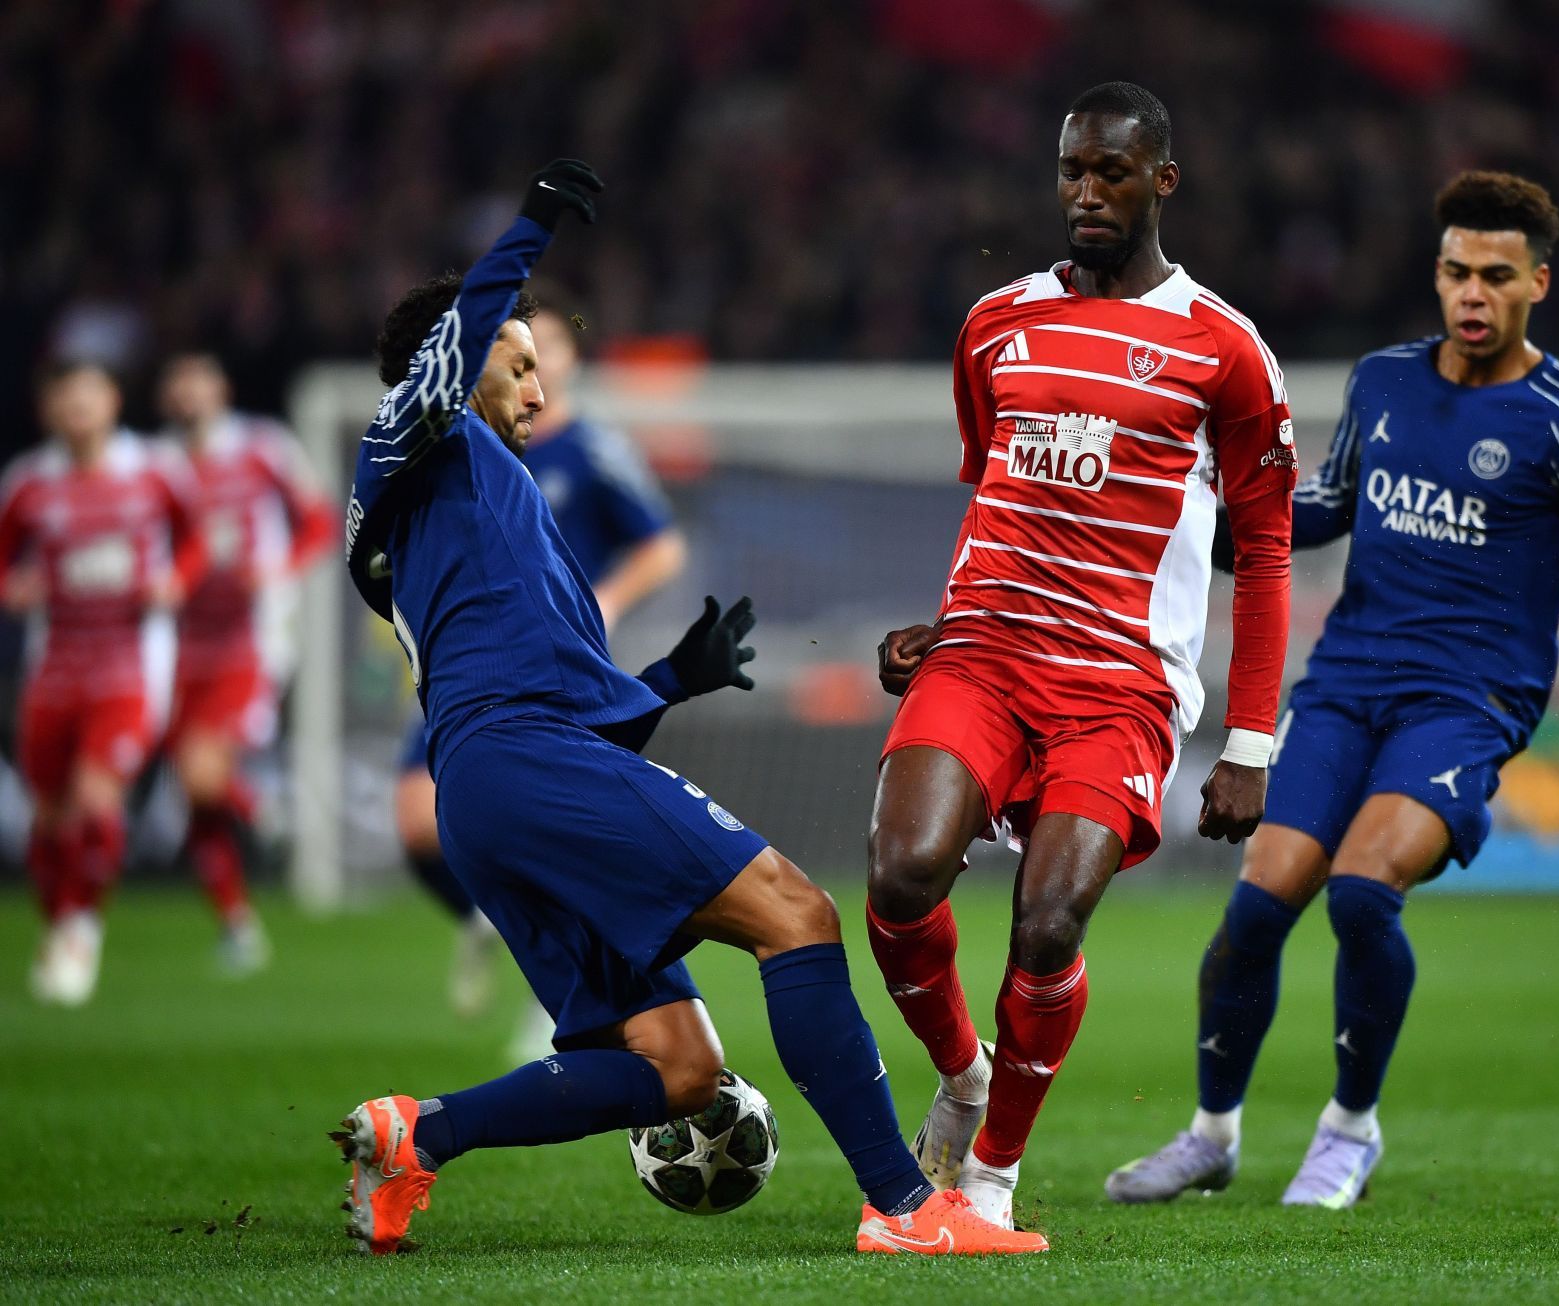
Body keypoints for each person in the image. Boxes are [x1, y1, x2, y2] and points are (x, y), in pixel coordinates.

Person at [333, 159, 1043, 1257]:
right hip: (519, 763)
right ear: (463, 364)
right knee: (798, 913)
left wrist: (670, 678)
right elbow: (447, 370)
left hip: (501, 781)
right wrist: (526, 233)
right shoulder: (425, 438)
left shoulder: (462, 502)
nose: (535, 390)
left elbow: (547, 688)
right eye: (516, 366)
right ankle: (906, 1208)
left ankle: (418, 1135)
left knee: (678, 1064)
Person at [1105, 170, 1559, 1209]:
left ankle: (1348, 1130)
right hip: (1344, 687)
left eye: (1497, 275)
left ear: (1536, 283)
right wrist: (1228, 531)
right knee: (1255, 912)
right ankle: (1212, 1135)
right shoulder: (1384, 381)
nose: (1472, 291)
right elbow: (1328, 499)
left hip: (1465, 706)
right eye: (1457, 269)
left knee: (1364, 894)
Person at [865, 82, 1297, 1229]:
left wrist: (1250, 741)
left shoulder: (1225, 352)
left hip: (1120, 687)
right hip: (986, 656)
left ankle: (994, 1176)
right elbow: (996, 495)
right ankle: (960, 1071)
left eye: (1111, 171)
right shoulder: (995, 322)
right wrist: (940, 620)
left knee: (1049, 922)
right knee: (901, 873)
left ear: (1162, 178)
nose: (1086, 192)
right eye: (1071, 171)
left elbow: (1264, 554)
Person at [391, 305, 685, 1025]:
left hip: (554, 664)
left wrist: (609, 597)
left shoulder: (590, 448)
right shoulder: (457, 441)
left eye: (546, 348)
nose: (536, 365)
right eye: (520, 353)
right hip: (470, 665)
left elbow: (662, 545)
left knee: (559, 833)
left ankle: (561, 989)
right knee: (414, 820)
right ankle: (491, 918)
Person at [1, 361, 201, 1005]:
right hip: (53, 664)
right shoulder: (28, 483)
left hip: (128, 661)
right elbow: (5, 562)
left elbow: (195, 540)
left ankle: (83, 928)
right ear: (47, 409)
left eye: (87, 394)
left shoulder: (153, 469)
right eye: (63, 398)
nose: (76, 408)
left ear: (112, 399)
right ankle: (60, 921)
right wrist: (14, 587)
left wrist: (177, 579)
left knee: (95, 798)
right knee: (49, 818)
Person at [156, 352, 335, 975]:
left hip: (250, 636)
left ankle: (264, 809)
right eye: (177, 385)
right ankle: (237, 924)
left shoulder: (262, 446)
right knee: (194, 791)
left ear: (221, 388)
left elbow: (318, 521)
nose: (187, 395)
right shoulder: (159, 466)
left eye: (197, 381)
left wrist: (278, 569)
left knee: (204, 772)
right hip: (175, 641)